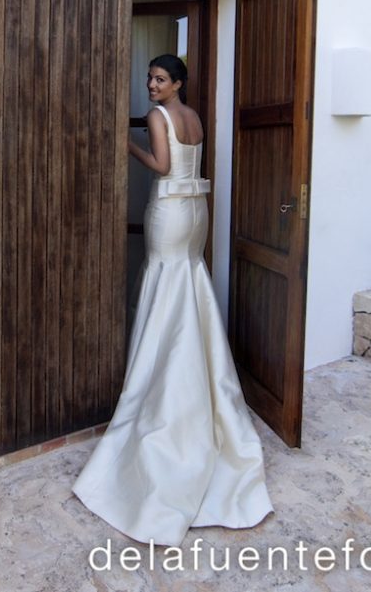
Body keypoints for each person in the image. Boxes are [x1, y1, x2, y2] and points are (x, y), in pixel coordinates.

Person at [73, 54, 273, 546]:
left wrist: (130, 146)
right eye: (150, 79)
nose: (151, 86)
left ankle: (160, 381)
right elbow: (191, 162)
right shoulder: (196, 117)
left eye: (160, 79)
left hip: (169, 206)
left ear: (177, 83)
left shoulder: (159, 118)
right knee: (189, 280)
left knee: (165, 281)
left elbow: (163, 167)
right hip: (197, 211)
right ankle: (196, 378)